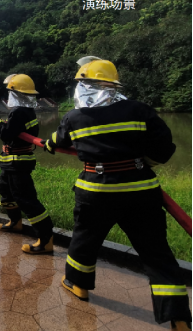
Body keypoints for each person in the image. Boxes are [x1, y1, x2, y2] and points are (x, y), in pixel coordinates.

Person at [41, 57, 191, 330]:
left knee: (85, 239)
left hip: (96, 190)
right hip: (140, 189)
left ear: (84, 86)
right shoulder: (139, 110)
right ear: (113, 85)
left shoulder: (75, 117)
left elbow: (57, 141)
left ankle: (78, 284)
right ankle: (178, 316)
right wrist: (141, 162)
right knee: (156, 252)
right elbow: (164, 147)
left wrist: (48, 144)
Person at [0, 74, 54, 254]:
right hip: (11, 162)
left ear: (15, 93)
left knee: (26, 200)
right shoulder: (24, 111)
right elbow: (12, 130)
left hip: (18, 163)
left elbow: (5, 134)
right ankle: (15, 223)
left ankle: (46, 239)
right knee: (6, 192)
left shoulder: (19, 112)